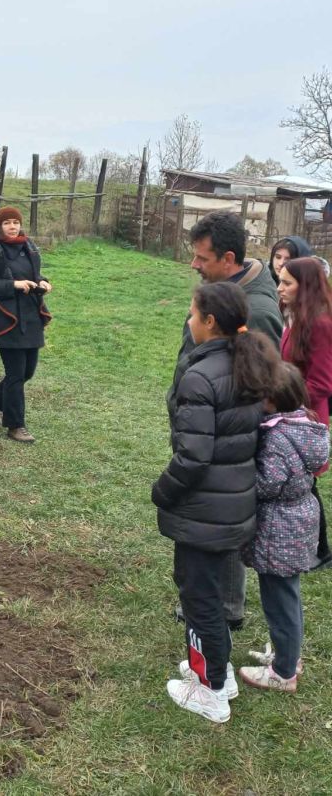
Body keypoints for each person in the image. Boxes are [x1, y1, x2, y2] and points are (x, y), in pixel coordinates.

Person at [154, 281, 281, 723]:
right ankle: (219, 673)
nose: (189, 321)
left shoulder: (200, 376)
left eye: (192, 314)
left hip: (203, 511)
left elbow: (193, 457)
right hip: (234, 506)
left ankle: (209, 692)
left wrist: (162, 490)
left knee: (199, 598)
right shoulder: (248, 365)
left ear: (209, 322)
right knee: (206, 592)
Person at [170, 210, 283, 630]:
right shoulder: (223, 292)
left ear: (229, 258)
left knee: (222, 526)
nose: (195, 265)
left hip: (224, 439)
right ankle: (208, 599)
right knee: (208, 520)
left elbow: (262, 384)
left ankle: (225, 609)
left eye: (202, 258)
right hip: (205, 427)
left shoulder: (258, 310)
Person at [239, 363, 329, 692]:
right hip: (299, 519)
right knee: (286, 596)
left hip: (280, 528)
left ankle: (283, 673)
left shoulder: (277, 438)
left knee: (280, 601)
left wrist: (243, 471)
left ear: (273, 401)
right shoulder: (305, 424)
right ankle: (287, 656)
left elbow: (268, 483)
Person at [278, 256, 332, 567]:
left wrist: (285, 399)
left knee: (306, 486)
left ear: (306, 287)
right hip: (290, 413)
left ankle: (321, 551)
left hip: (307, 418)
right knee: (300, 484)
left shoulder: (321, 324)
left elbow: (322, 384)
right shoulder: (295, 316)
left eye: (287, 282)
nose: (280, 287)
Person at [0, 206, 52, 444]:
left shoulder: (29, 247)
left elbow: (36, 274)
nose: (12, 227)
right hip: (7, 321)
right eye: (7, 223)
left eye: (15, 222)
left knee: (27, 372)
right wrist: (13, 285)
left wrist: (43, 282)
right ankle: (15, 425)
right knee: (15, 375)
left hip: (31, 318)